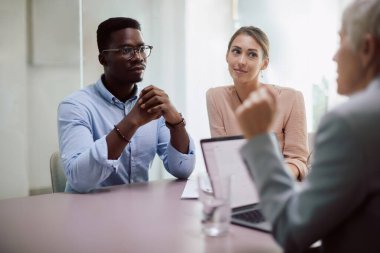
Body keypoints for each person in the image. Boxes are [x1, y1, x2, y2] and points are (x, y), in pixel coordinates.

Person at [236, 0, 380, 252]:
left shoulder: (349, 123)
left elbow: (291, 230)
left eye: (340, 41)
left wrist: (259, 138)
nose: (334, 57)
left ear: (367, 48)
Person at [58, 17, 195, 193]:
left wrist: (176, 121)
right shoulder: (75, 106)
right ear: (103, 59)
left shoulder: (152, 102)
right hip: (89, 213)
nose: (138, 57)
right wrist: (132, 122)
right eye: (127, 50)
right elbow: (80, 180)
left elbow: (183, 169)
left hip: (138, 211)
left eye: (142, 49)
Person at [206, 26, 308, 180]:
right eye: (236, 51)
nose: (241, 61)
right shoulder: (215, 97)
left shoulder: (292, 99)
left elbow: (297, 161)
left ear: (264, 64)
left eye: (252, 55)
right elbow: (221, 159)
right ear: (227, 56)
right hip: (236, 188)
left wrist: (269, 179)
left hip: (277, 187)